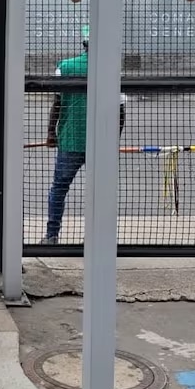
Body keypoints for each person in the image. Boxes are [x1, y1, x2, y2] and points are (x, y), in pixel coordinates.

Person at [43, 26, 125, 245]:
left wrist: (51, 133)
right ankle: (97, 238)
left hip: (71, 139)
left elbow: (58, 103)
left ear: (84, 44)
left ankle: (51, 235)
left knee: (59, 188)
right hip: (101, 142)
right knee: (100, 192)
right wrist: (113, 141)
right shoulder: (111, 68)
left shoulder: (65, 67)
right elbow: (120, 111)